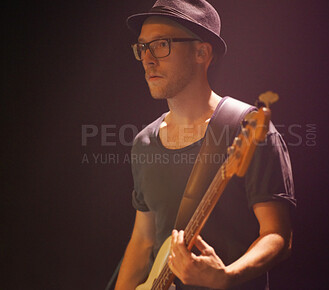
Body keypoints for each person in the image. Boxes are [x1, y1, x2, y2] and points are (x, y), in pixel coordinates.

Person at [115, 0, 296, 289]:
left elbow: (277, 235)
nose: (148, 58)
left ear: (202, 52)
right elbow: (142, 242)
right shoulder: (144, 142)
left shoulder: (246, 129)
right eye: (142, 47)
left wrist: (226, 276)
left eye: (161, 44)